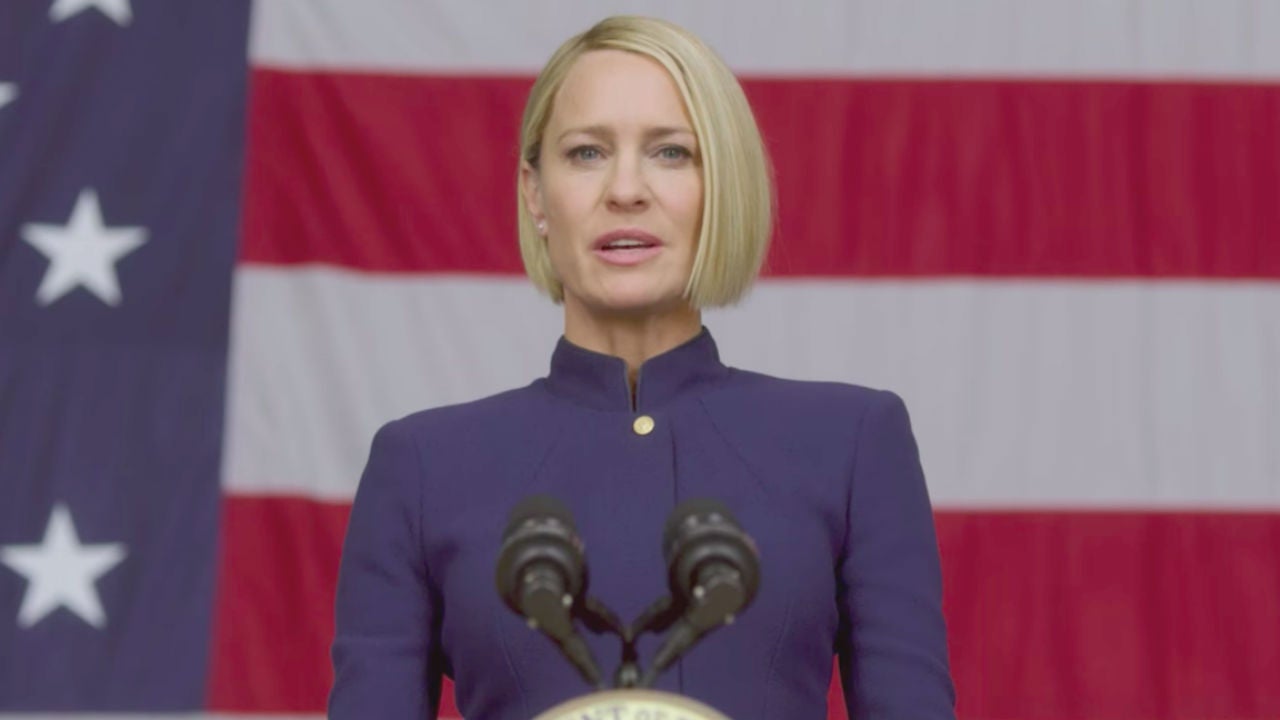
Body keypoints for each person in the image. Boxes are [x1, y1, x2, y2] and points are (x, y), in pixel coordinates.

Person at [329, 15, 955, 720]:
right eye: (587, 153)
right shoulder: (420, 466)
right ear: (536, 194)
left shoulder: (853, 442)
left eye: (670, 152)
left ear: (721, 185)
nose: (625, 189)